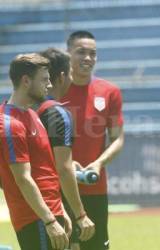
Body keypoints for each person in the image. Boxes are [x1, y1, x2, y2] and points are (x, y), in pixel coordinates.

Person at [60, 30, 124, 250]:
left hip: (94, 187)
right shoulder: (54, 92)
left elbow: (117, 139)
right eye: (81, 52)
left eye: (92, 53)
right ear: (67, 53)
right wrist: (67, 165)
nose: (88, 58)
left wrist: (99, 163)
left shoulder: (109, 91)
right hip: (58, 187)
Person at [0, 53, 69, 250]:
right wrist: (49, 221)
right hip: (35, 219)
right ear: (26, 81)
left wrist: (60, 210)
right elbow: (23, 179)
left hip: (50, 213)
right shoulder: (9, 124)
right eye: (45, 80)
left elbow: (45, 170)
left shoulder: (31, 114)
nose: (49, 85)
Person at [37, 48, 95, 246]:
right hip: (53, 205)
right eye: (70, 73)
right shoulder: (58, 113)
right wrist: (80, 215)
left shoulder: (27, 110)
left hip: (31, 205)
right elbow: (63, 168)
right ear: (62, 77)